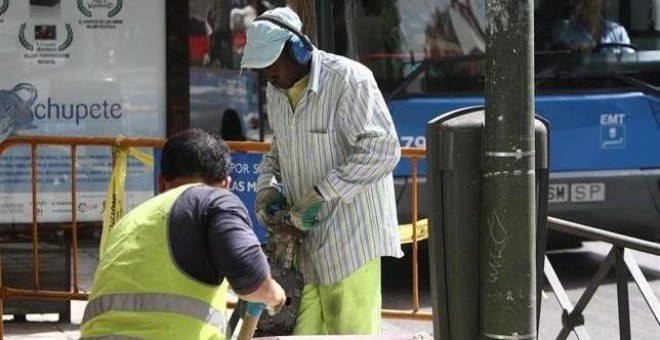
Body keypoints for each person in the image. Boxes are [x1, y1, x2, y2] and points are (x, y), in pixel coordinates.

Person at [240, 6, 403, 336]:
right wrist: (268, 187)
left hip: (352, 243)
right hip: (306, 251)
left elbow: (384, 149)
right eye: (261, 67)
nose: (267, 73)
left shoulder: (348, 80)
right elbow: (278, 151)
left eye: (271, 62)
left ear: (297, 48)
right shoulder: (276, 92)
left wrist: (322, 193)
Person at [79, 128, 286, 339]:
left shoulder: (127, 223)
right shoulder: (215, 200)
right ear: (226, 184)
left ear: (161, 183)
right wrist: (274, 296)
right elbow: (252, 280)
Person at [550, 0, 630, 52]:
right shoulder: (563, 28)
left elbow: (630, 61)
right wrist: (578, 53)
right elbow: (560, 56)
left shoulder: (618, 31)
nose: (590, 3)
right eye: (584, 2)